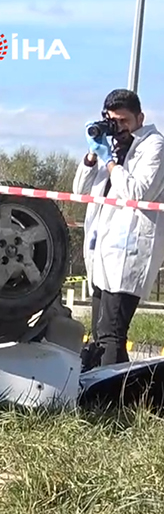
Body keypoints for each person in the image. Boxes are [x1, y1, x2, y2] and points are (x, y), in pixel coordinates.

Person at [72, 88, 164, 368]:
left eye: (124, 121)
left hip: (130, 251)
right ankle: (97, 395)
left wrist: (111, 163)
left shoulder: (154, 146)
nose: (119, 128)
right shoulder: (110, 146)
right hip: (102, 250)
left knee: (112, 333)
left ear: (140, 117)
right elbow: (79, 190)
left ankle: (114, 402)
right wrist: (92, 156)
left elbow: (137, 192)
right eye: (113, 121)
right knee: (99, 335)